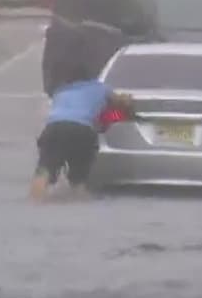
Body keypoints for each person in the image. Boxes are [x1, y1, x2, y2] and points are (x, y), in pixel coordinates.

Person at [30, 62, 132, 201]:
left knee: (44, 171)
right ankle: (78, 196)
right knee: (78, 181)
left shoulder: (60, 91)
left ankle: (35, 202)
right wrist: (118, 114)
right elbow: (123, 104)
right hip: (83, 131)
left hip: (54, 129)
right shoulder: (100, 89)